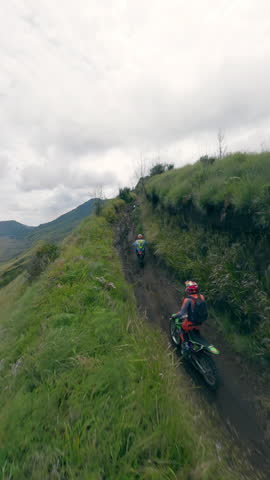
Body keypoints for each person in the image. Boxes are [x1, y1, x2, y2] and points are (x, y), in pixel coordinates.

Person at [172, 281, 208, 355]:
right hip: (201, 320)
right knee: (194, 330)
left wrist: (175, 316)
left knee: (182, 329)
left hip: (191, 321)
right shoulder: (202, 296)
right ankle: (196, 338)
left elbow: (182, 313)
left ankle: (186, 347)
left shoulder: (188, 299)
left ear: (188, 290)